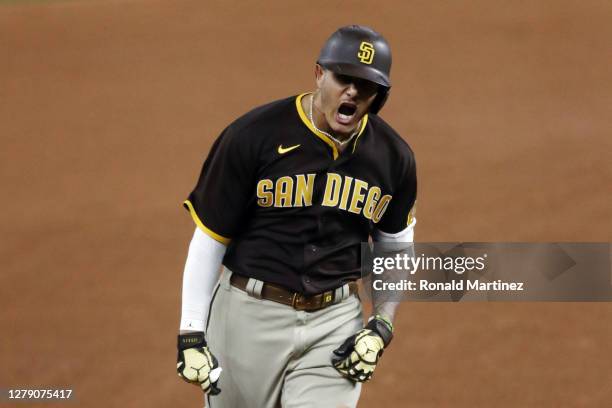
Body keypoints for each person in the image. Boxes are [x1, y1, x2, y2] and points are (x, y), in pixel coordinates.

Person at [176, 25, 417, 408]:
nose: (352, 92)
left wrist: (381, 324)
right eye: (344, 78)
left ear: (379, 96)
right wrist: (191, 331)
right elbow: (210, 239)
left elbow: (396, 248)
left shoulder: (392, 157)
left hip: (334, 324)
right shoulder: (252, 136)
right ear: (320, 74)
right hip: (246, 317)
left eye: (366, 86)